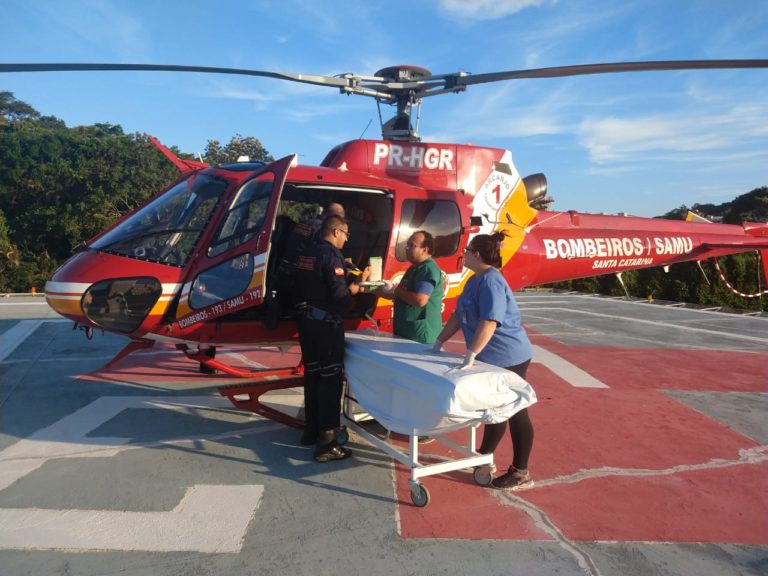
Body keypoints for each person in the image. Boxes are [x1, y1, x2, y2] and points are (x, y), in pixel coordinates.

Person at [432, 231, 535, 490]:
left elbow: (490, 321)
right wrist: (438, 342)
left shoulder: (491, 282)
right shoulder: (474, 280)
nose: (463, 254)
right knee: (494, 407)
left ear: (476, 254)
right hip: (491, 356)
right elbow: (458, 316)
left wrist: (471, 355)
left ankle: (520, 471)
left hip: (509, 356)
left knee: (513, 410)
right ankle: (483, 457)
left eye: (466, 250)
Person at [294, 215, 368, 462]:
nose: (347, 240)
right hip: (326, 326)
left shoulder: (306, 252)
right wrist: (356, 288)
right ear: (336, 232)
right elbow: (340, 298)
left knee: (312, 375)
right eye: (346, 235)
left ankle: (311, 429)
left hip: (307, 323)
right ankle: (327, 441)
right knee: (330, 380)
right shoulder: (331, 256)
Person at [376, 230, 444, 344]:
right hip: (406, 333)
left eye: (412, 245)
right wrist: (372, 289)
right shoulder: (414, 269)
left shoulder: (427, 269)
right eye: (407, 244)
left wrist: (395, 289)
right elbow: (397, 294)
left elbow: (420, 300)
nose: (406, 248)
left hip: (420, 337)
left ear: (425, 250)